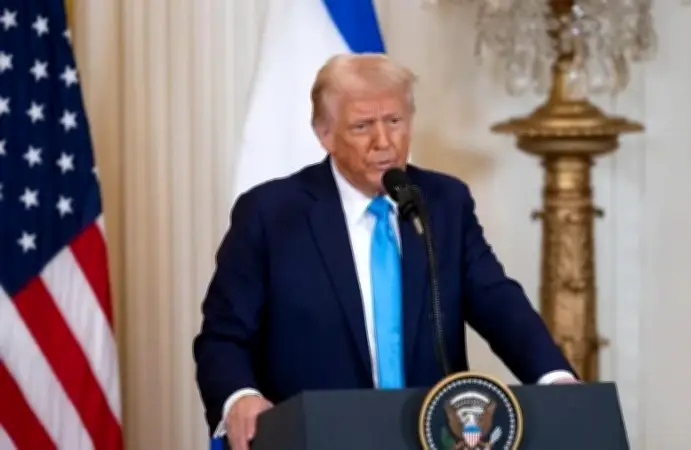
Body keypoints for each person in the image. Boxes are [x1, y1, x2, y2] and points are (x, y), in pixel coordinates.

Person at [193, 53, 577, 450]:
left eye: (394, 121)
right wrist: (240, 397)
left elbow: (497, 301)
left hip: (431, 436)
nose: (384, 141)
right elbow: (224, 335)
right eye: (362, 126)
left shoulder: (443, 202)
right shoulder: (271, 214)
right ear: (324, 134)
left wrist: (554, 377)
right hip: (318, 438)